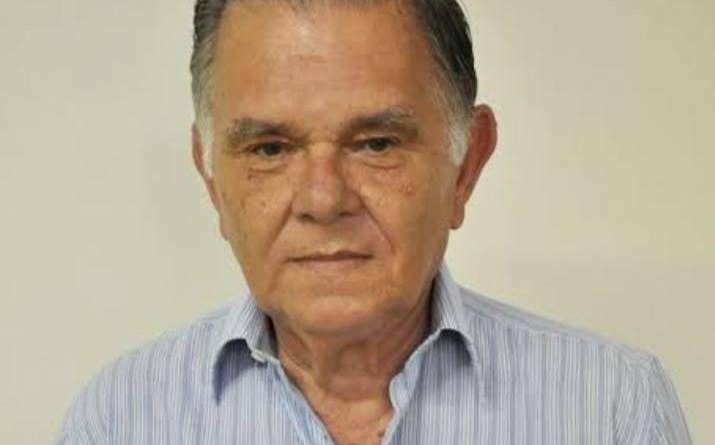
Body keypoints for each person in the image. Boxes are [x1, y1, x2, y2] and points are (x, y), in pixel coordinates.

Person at [54, 0, 692, 444]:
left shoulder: (612, 410)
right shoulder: (120, 420)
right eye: (269, 149)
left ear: (466, 165)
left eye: (376, 144)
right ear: (211, 178)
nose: (323, 199)